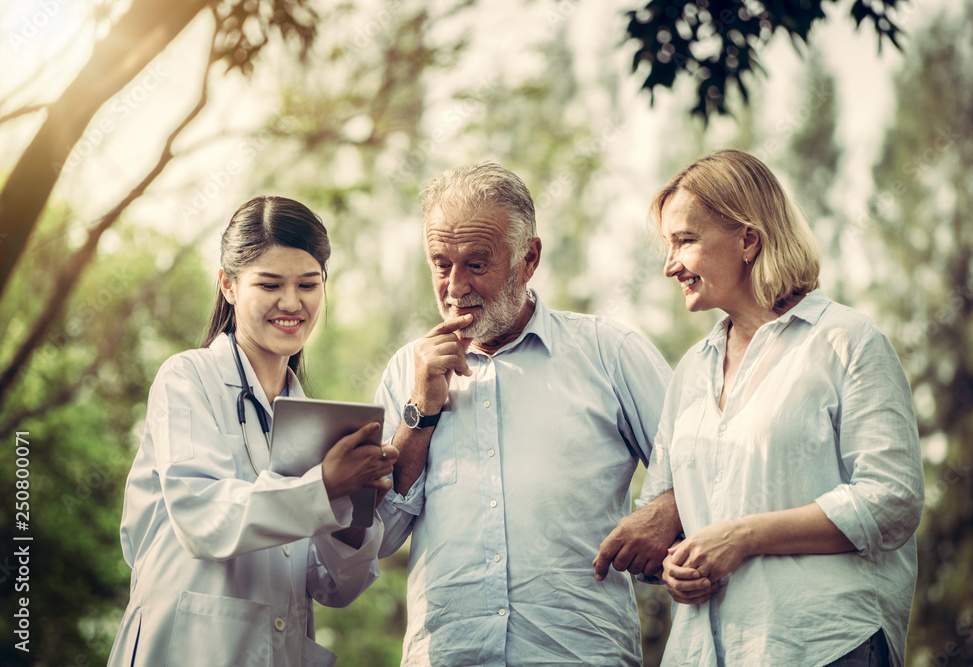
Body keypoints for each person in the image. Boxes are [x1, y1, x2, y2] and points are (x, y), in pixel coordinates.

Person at [374, 161, 679, 666]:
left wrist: (667, 507)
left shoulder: (610, 351)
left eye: (476, 263)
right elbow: (380, 535)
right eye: (440, 263)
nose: (454, 287)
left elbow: (702, 468)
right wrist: (421, 411)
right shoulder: (406, 370)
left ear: (529, 257)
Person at [639, 149, 924, 666]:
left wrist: (745, 537)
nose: (670, 265)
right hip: (704, 652)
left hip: (825, 646)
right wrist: (676, 569)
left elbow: (892, 500)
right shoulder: (689, 373)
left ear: (748, 240)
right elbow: (671, 515)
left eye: (685, 240)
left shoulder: (847, 341)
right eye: (668, 244)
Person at [108, 196, 398, 667]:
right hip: (184, 648)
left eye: (308, 284)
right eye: (269, 284)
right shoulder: (186, 379)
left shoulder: (316, 420)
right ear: (227, 285)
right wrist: (324, 485)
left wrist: (357, 510)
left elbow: (335, 588)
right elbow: (202, 521)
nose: (292, 302)